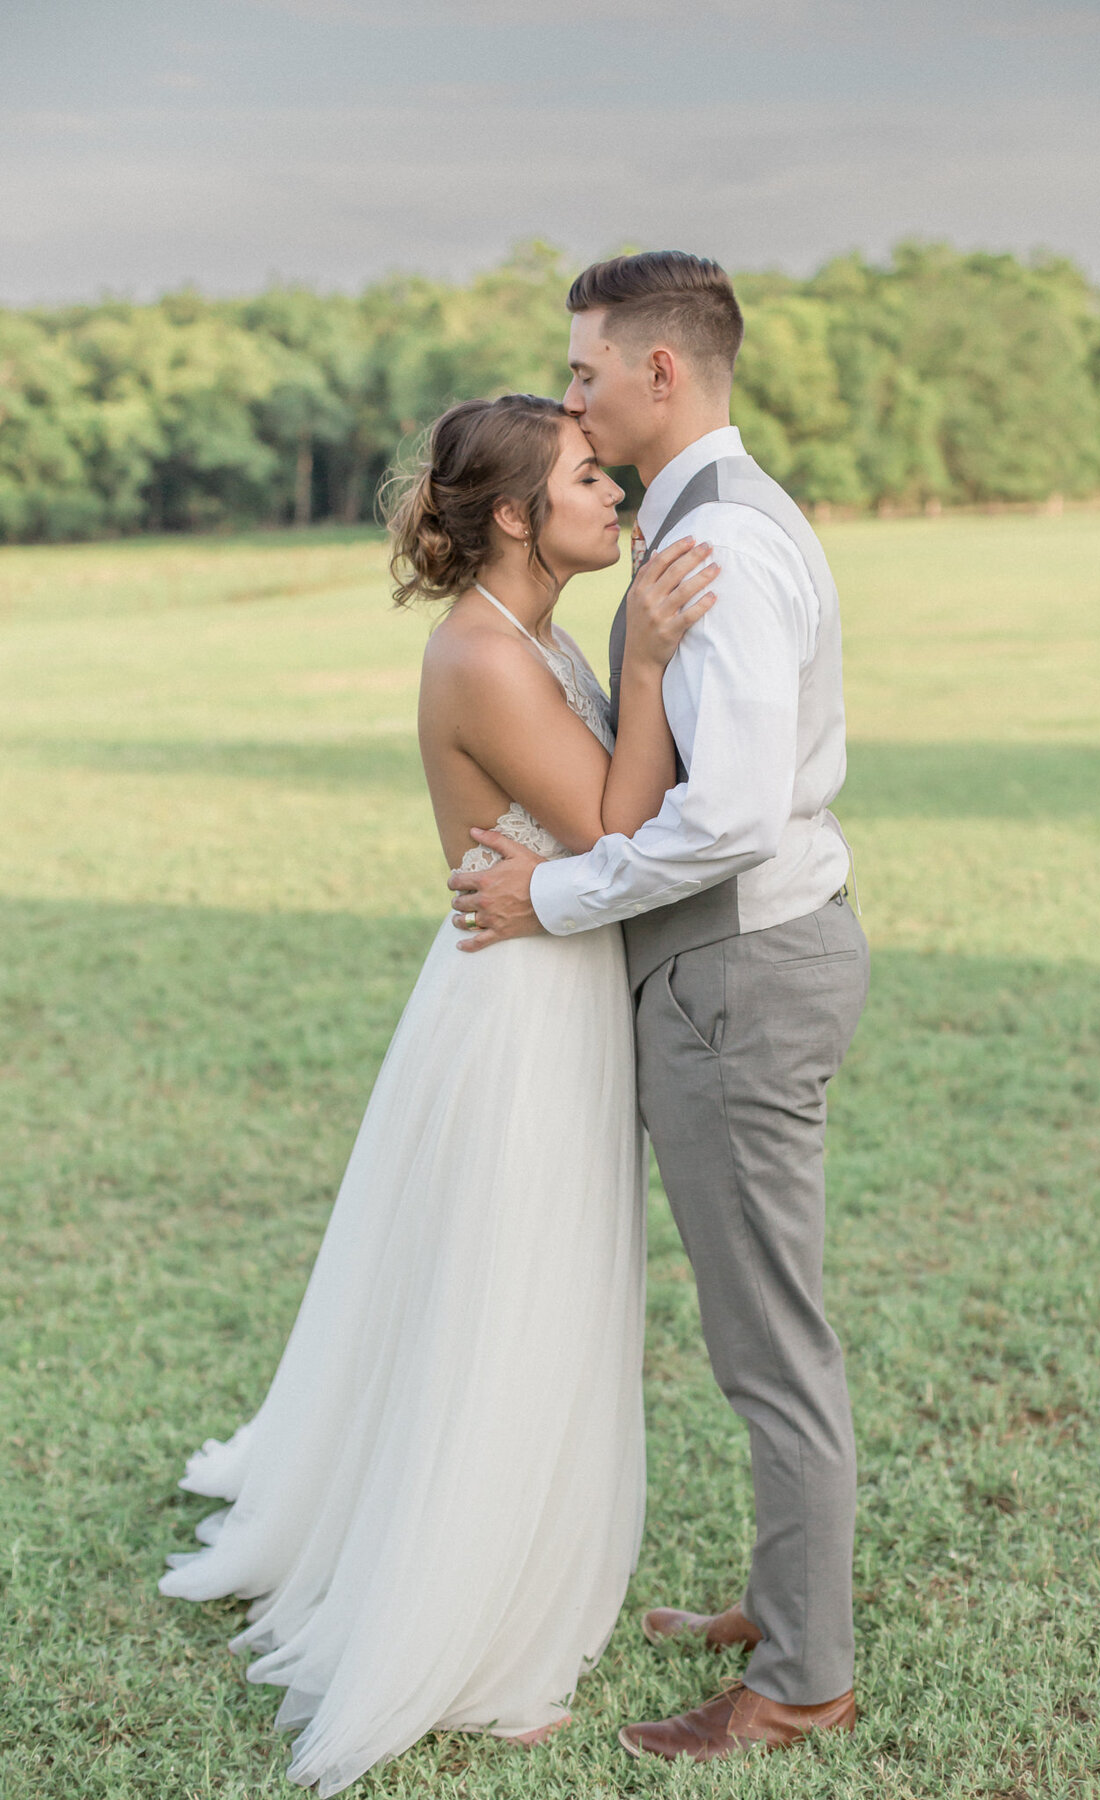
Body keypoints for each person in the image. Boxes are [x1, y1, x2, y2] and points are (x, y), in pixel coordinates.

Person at [158, 392, 718, 1796]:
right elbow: (618, 832)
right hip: (522, 1016)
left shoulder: (525, 631)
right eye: (588, 477)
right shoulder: (482, 652)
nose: (615, 492)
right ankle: (468, 1638)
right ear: (518, 514)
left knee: (538, 1289)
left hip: (546, 985)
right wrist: (646, 662)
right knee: (508, 1299)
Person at [449, 253, 870, 1763]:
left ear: (660, 375)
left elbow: (733, 813)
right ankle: (784, 1601)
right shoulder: (705, 526)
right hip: (742, 966)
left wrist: (552, 897)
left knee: (769, 1341)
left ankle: (805, 1680)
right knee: (763, 1322)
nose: (571, 393)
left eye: (582, 373)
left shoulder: (724, 551)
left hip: (740, 974)